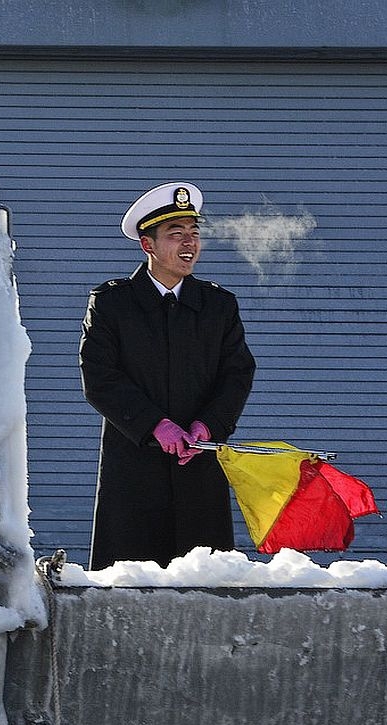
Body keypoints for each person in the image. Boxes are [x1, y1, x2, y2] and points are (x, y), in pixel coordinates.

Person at [79, 182, 256, 570]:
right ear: (148, 245)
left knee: (204, 583)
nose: (189, 243)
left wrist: (208, 426)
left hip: (199, 465)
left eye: (194, 233)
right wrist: (154, 425)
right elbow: (99, 377)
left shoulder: (217, 305)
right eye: (176, 235)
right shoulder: (113, 304)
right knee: (128, 583)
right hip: (134, 469)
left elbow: (237, 373)